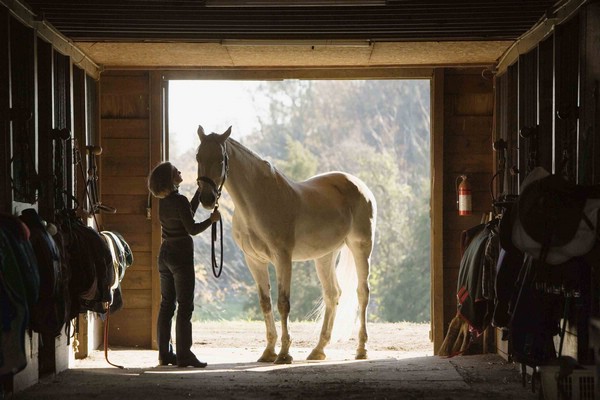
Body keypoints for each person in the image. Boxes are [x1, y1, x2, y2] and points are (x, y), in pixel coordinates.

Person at [147, 161, 221, 368]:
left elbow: (186, 213)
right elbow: (192, 228)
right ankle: (184, 355)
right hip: (181, 255)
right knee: (185, 306)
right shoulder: (178, 200)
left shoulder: (165, 202)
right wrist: (212, 219)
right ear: (170, 179)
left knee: (167, 304)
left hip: (165, 254)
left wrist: (199, 193)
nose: (179, 171)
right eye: (175, 171)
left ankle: (164, 354)